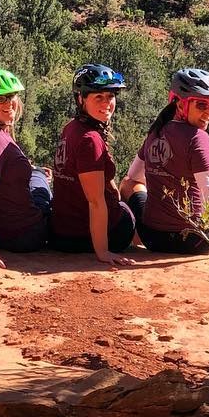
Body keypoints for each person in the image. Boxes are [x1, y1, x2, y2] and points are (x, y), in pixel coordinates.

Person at [119, 68, 209, 255]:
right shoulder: (198, 137)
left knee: (127, 184)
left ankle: (136, 244)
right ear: (180, 104)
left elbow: (134, 176)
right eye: (202, 105)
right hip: (195, 243)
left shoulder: (155, 131)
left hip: (152, 238)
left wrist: (164, 177)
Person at [49, 64, 135, 266]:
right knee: (135, 202)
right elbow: (95, 201)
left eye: (110, 96)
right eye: (98, 97)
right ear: (81, 99)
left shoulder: (71, 127)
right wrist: (103, 252)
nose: (107, 103)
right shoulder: (90, 140)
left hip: (61, 231)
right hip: (82, 235)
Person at [0, 68, 52, 269]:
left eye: (12, 96)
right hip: (23, 234)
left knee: (38, 173)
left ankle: (38, 172)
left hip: (7, 224)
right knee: (42, 185)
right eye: (0, 99)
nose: (9, 103)